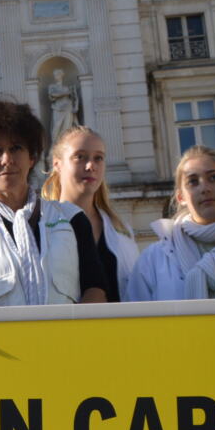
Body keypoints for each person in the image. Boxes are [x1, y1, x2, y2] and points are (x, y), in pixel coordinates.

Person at [0, 100, 108, 307]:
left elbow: (96, 288)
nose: (7, 159)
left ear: (31, 157)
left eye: (16, 148)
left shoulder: (72, 218)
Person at [127, 146, 215, 301]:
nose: (205, 188)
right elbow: (136, 321)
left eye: (213, 178)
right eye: (193, 182)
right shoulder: (153, 259)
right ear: (181, 197)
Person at [43, 125, 138, 303]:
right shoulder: (42, 224)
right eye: (80, 157)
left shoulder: (121, 230)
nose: (90, 166)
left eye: (98, 158)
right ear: (57, 164)